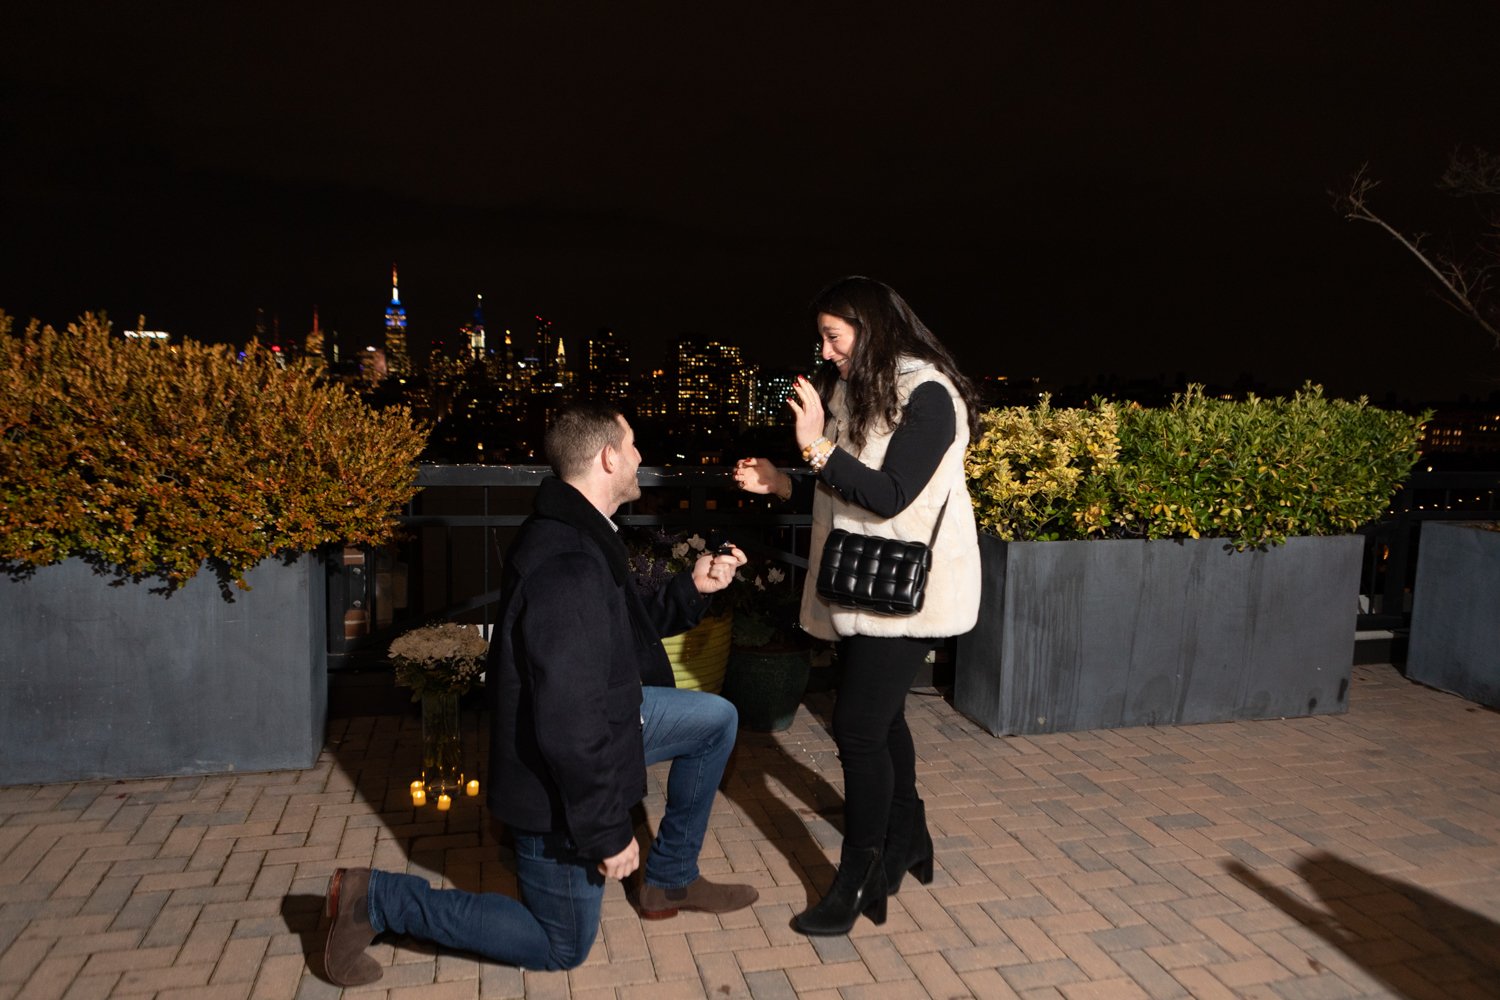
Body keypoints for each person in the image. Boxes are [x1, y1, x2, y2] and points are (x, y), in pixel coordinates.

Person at [322, 403, 758, 986]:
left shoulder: (582, 533)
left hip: (611, 712)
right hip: (555, 775)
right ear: (607, 457)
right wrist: (608, 832)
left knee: (715, 720)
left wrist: (691, 589)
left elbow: (615, 632)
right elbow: (569, 725)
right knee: (561, 945)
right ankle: (375, 900)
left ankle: (670, 875)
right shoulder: (569, 564)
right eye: (632, 447)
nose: (639, 458)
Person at [733, 276, 982, 936]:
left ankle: (860, 873)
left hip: (912, 591)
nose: (826, 350)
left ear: (870, 330)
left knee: (858, 728)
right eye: (821, 338)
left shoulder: (927, 394)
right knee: (882, 717)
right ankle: (910, 833)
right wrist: (786, 480)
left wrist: (814, 446)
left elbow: (891, 494)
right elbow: (840, 490)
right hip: (863, 582)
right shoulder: (856, 390)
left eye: (834, 337)